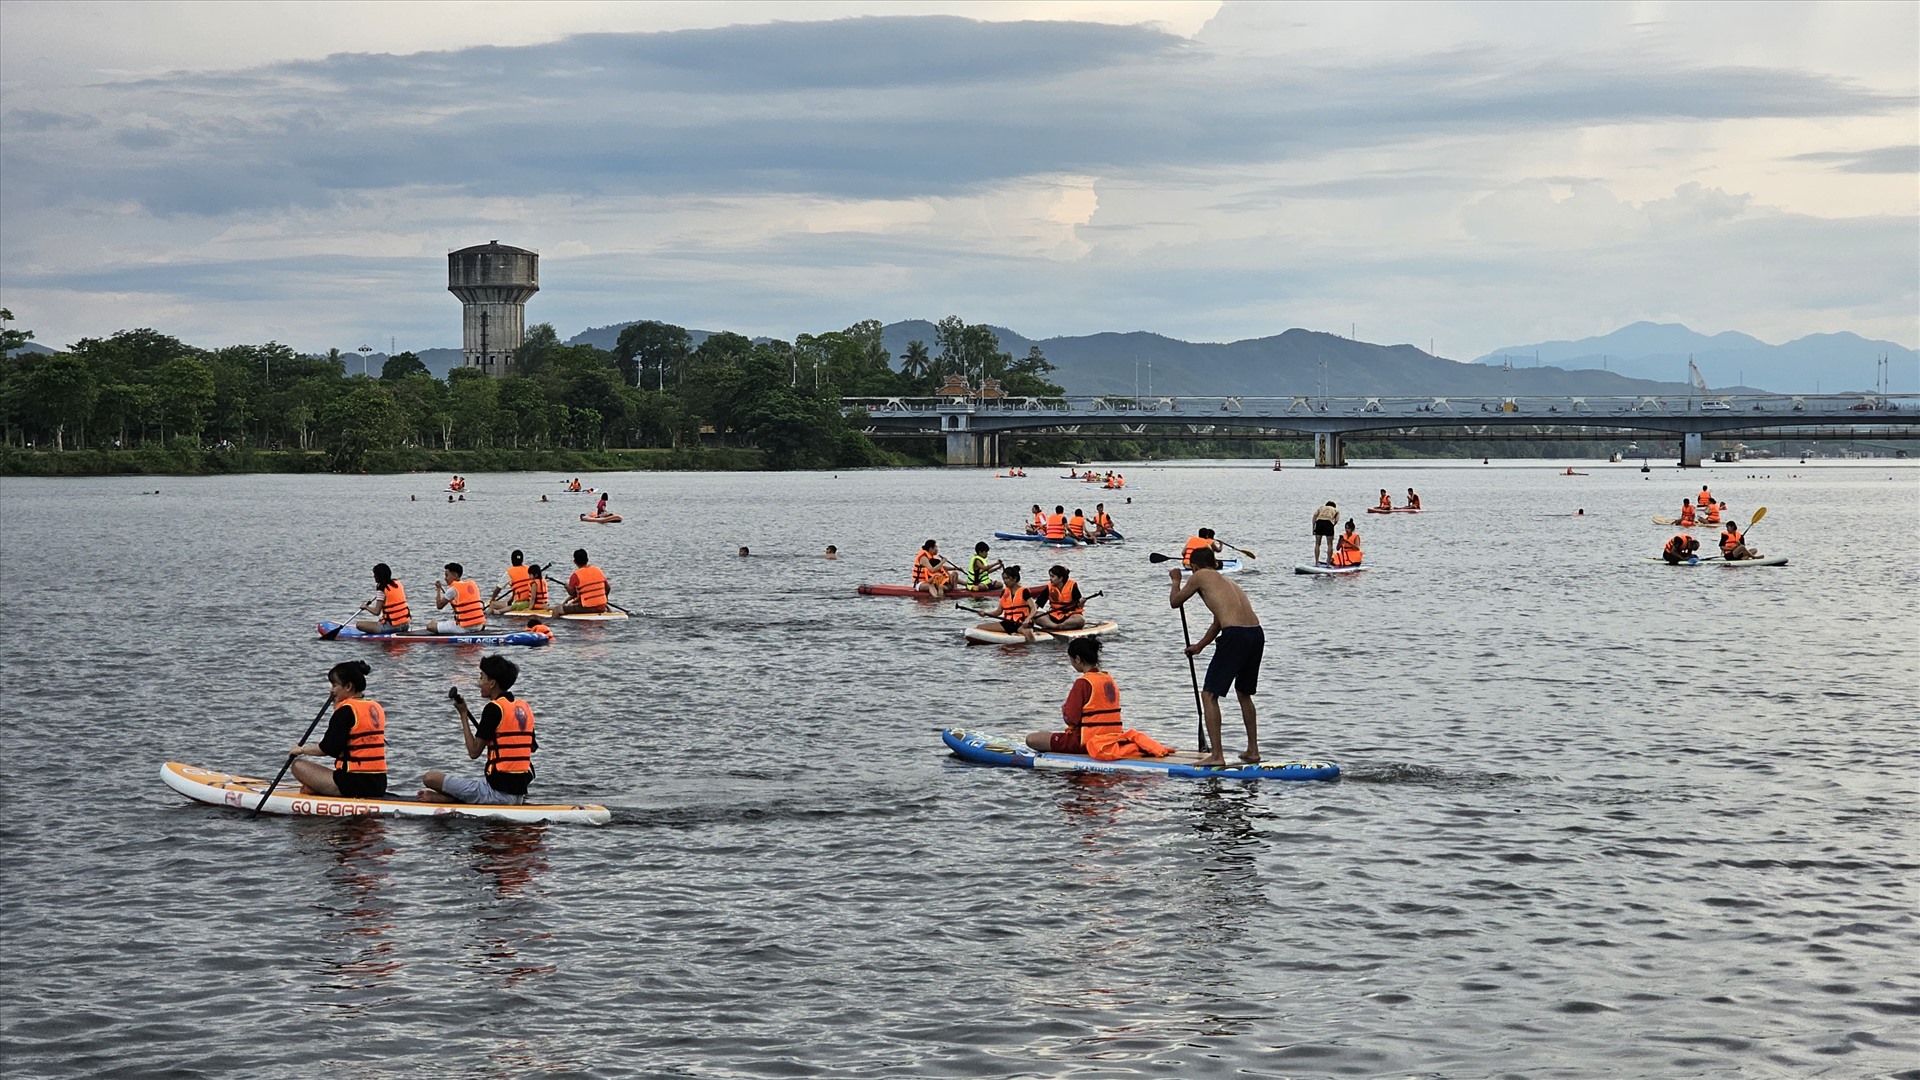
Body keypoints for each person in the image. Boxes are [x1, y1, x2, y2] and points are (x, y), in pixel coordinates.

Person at [1170, 548, 1263, 767]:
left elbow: (1176, 602)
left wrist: (1175, 580)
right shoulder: (1228, 582)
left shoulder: (1199, 575)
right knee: (1243, 693)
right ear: (1215, 562)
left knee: (1209, 695)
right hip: (1256, 633)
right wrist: (1200, 646)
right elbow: (1220, 620)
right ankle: (1253, 750)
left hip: (1236, 635)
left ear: (1193, 567)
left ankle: (1217, 755)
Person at [1026, 637, 1173, 760]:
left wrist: (1063, 711)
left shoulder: (1082, 682)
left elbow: (1071, 719)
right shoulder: (1109, 679)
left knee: (1031, 739)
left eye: (1071, 660)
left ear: (1077, 659)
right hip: (1112, 738)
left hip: (1083, 742)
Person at [419, 654, 538, 806]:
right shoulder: (523, 707)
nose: (479, 682)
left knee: (429, 778)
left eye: (482, 677)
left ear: (492, 683)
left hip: (496, 795)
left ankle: (452, 799)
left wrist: (463, 714)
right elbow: (531, 747)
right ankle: (452, 798)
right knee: (472, 785)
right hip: (519, 795)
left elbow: (474, 752)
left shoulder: (493, 708)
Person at [288, 660, 387, 799]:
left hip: (352, 784)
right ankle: (317, 788)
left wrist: (302, 750)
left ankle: (319, 789)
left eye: (334, 685)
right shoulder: (376, 707)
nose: (331, 690)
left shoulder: (345, 710)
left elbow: (329, 748)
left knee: (297, 766)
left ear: (348, 687)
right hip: (379, 784)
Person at [976, 565, 1043, 643]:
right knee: (979, 627)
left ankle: (1032, 646)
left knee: (1028, 634)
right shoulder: (1004, 592)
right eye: (1004, 579)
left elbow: (1033, 608)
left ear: (1014, 579)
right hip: (1008, 623)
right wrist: (986, 613)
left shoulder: (1024, 591)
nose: (1005, 581)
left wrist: (1028, 619)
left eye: (1007, 578)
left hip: (1022, 624)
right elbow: (998, 612)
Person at [430, 563, 488, 633]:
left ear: (455, 575)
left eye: (447, 575)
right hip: (479, 625)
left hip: (464, 627)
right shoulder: (472, 585)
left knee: (430, 626)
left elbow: (439, 606)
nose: (445, 578)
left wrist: (438, 589)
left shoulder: (453, 589)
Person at [355, 563, 410, 634]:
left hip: (392, 627)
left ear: (379, 576)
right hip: (405, 625)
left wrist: (365, 607)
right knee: (380, 620)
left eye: (375, 574)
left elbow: (376, 612)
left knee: (359, 625)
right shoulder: (397, 583)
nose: (374, 576)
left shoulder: (381, 589)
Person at [1032, 564, 1087, 632]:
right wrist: (1028, 616)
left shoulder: (1072, 587)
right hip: (1054, 615)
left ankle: (1062, 626)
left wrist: (1082, 602)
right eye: (1050, 576)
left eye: (1052, 576)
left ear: (1060, 578)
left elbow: (1079, 605)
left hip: (1069, 615)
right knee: (1035, 615)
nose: (1050, 579)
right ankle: (1055, 626)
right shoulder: (1049, 587)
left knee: (1080, 620)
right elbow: (1037, 604)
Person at [563, 548, 610, 614]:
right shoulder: (598, 570)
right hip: (602, 606)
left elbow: (572, 593)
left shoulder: (575, 575)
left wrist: (567, 587)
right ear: (587, 560)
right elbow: (608, 588)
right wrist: (605, 599)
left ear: (575, 562)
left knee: (557, 609)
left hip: (586, 607)